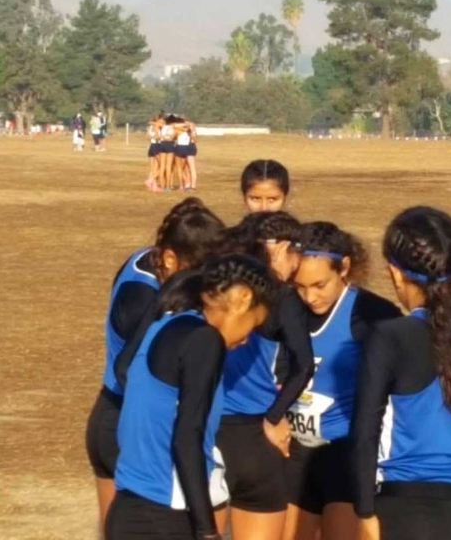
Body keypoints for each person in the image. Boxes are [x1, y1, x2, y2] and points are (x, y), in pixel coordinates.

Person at [350, 206, 451, 540]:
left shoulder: (389, 336)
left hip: (406, 512)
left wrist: (365, 510)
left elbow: (364, 434)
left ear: (396, 273)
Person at [106, 254, 280, 540]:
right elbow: (187, 438)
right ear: (243, 299)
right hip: (165, 519)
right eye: (253, 324)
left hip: (126, 511)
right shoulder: (205, 341)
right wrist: (207, 530)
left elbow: (122, 368)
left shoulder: (166, 323)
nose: (247, 338)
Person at [85, 198, 226, 529]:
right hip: (124, 422)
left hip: (120, 420)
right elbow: (127, 369)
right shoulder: (142, 299)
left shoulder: (148, 261)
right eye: (200, 275)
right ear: (169, 258)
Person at [282, 221, 401, 540]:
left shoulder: (374, 315)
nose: (309, 297)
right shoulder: (284, 309)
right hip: (294, 454)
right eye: (300, 286)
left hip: (345, 455)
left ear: (344, 267)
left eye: (320, 285)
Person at [217, 212, 314, 540]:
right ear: (284, 247)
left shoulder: (220, 287)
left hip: (211, 432)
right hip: (258, 436)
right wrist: (275, 417)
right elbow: (303, 365)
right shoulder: (283, 297)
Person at [146, 116, 161, 191]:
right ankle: (151, 180)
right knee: (160, 165)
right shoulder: (156, 127)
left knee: (153, 167)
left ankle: (154, 185)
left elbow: (147, 137)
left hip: (151, 145)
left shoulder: (150, 127)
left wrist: (152, 137)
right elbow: (158, 136)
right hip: (156, 146)